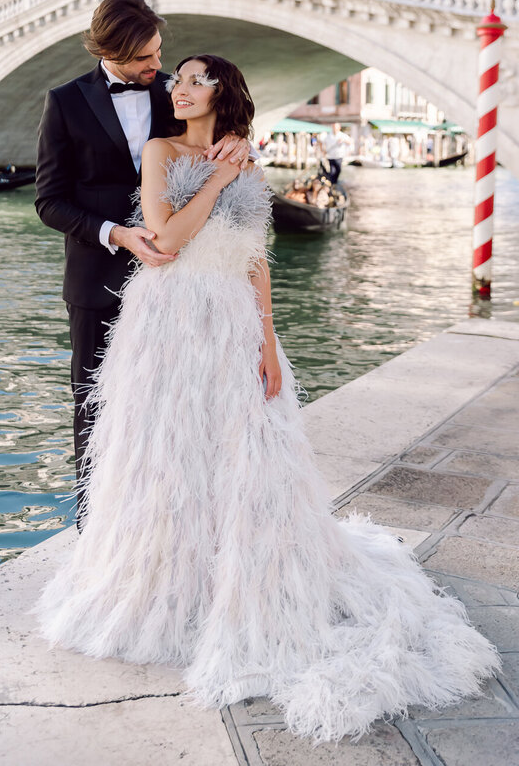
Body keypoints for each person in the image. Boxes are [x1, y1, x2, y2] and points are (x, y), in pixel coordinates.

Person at [37, 54, 498, 742]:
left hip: (233, 320)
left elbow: (256, 259)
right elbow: (163, 235)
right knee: (169, 457)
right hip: (171, 320)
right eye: (177, 78)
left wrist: (268, 339)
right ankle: (172, 583)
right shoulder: (163, 150)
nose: (178, 86)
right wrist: (222, 176)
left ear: (225, 94)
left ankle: (249, 584)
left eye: (194, 78)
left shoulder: (251, 165)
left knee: (248, 457)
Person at [35, 0, 251, 521]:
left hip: (180, 278)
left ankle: (165, 521)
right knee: (96, 405)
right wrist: (117, 233)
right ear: (107, 51)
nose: (159, 68)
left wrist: (242, 141)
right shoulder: (63, 103)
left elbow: (217, 122)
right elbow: (49, 202)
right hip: (98, 277)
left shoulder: (168, 93)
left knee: (172, 405)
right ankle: (94, 533)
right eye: (145, 60)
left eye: (159, 54)